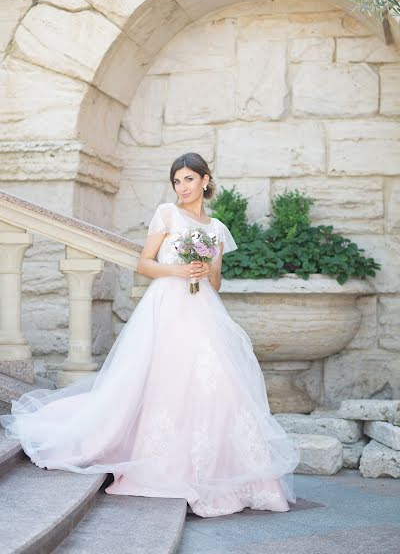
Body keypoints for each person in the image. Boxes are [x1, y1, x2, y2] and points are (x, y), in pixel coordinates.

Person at [0, 152, 300, 517]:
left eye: (189, 179)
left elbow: (217, 282)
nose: (182, 187)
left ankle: (226, 469)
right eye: (177, 180)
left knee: (215, 381)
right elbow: (144, 263)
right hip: (168, 306)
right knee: (164, 378)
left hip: (203, 308)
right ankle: (153, 455)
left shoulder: (217, 228)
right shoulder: (167, 214)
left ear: (206, 181)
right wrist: (178, 271)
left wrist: (205, 269)